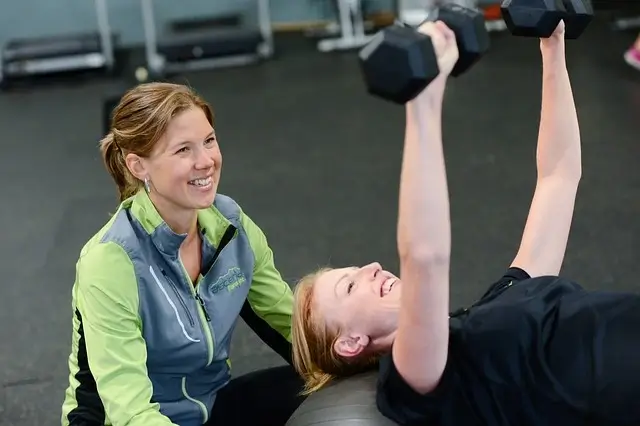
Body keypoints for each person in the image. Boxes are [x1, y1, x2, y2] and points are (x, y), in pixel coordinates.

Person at [291, 20, 640, 426]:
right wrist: (423, 103)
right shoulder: (416, 379)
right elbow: (425, 257)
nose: (370, 267)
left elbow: (558, 179)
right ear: (351, 343)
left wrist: (552, 47)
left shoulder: (492, 307)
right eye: (350, 285)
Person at [61, 82, 305, 426]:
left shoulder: (230, 226)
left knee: (322, 387)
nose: (206, 162)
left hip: (210, 405)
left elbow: (291, 324)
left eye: (209, 141)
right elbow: (129, 409)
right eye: (183, 150)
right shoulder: (110, 261)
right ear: (138, 166)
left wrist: (373, 364)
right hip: (129, 419)